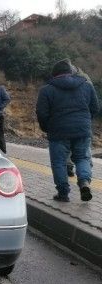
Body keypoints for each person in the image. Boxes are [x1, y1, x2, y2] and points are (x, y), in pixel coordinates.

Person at [36, 59, 99, 202]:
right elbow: (95, 108)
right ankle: (84, 183)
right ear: (71, 72)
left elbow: (41, 113)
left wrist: (47, 128)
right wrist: (85, 121)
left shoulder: (46, 90)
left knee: (59, 163)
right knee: (82, 158)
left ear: (54, 74)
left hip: (58, 133)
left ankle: (63, 194)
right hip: (82, 130)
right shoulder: (86, 86)